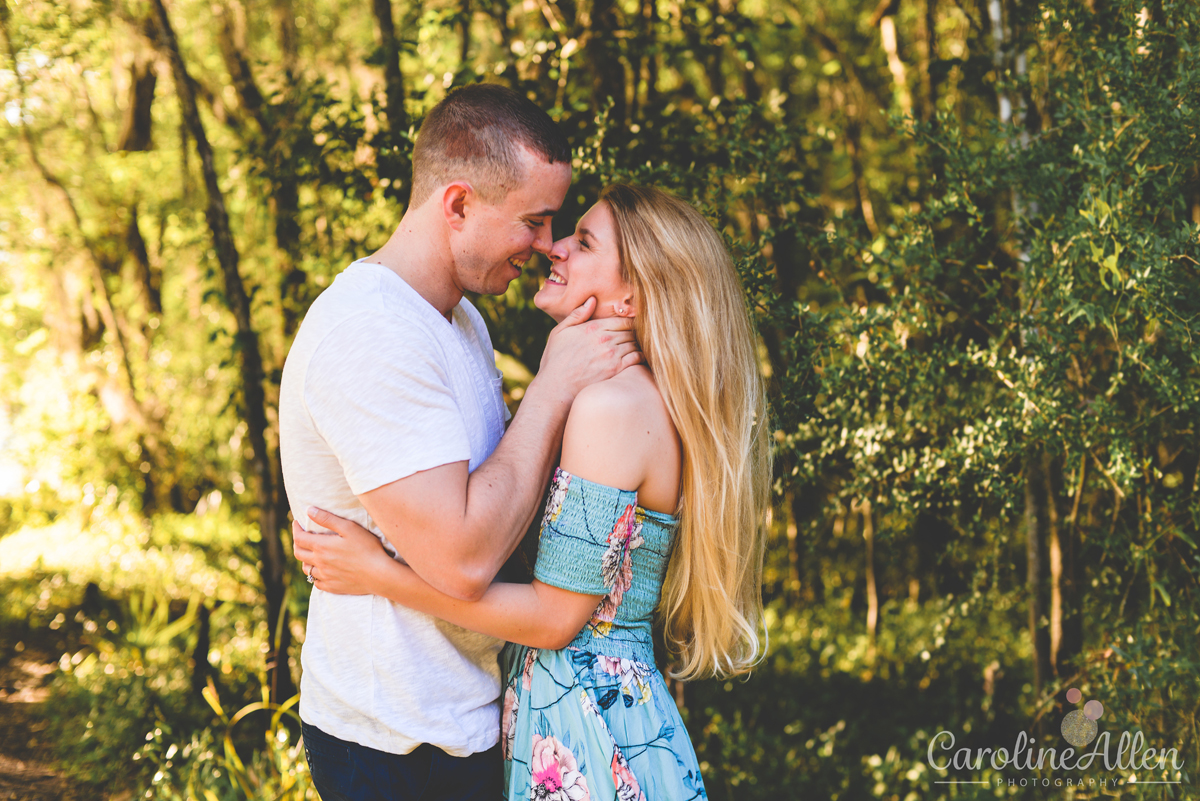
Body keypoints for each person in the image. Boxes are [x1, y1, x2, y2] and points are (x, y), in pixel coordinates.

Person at [293, 184, 773, 799]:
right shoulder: (618, 397)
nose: (557, 248)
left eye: (585, 241)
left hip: (589, 732)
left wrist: (378, 572)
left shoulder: (614, 409)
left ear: (633, 294)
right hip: (567, 717)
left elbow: (551, 620)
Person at [279, 84, 641, 801]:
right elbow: (465, 557)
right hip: (391, 741)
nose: (546, 247)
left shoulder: (460, 322)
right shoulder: (371, 333)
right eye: (534, 222)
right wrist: (550, 387)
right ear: (458, 204)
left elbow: (503, 505)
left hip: (462, 721)